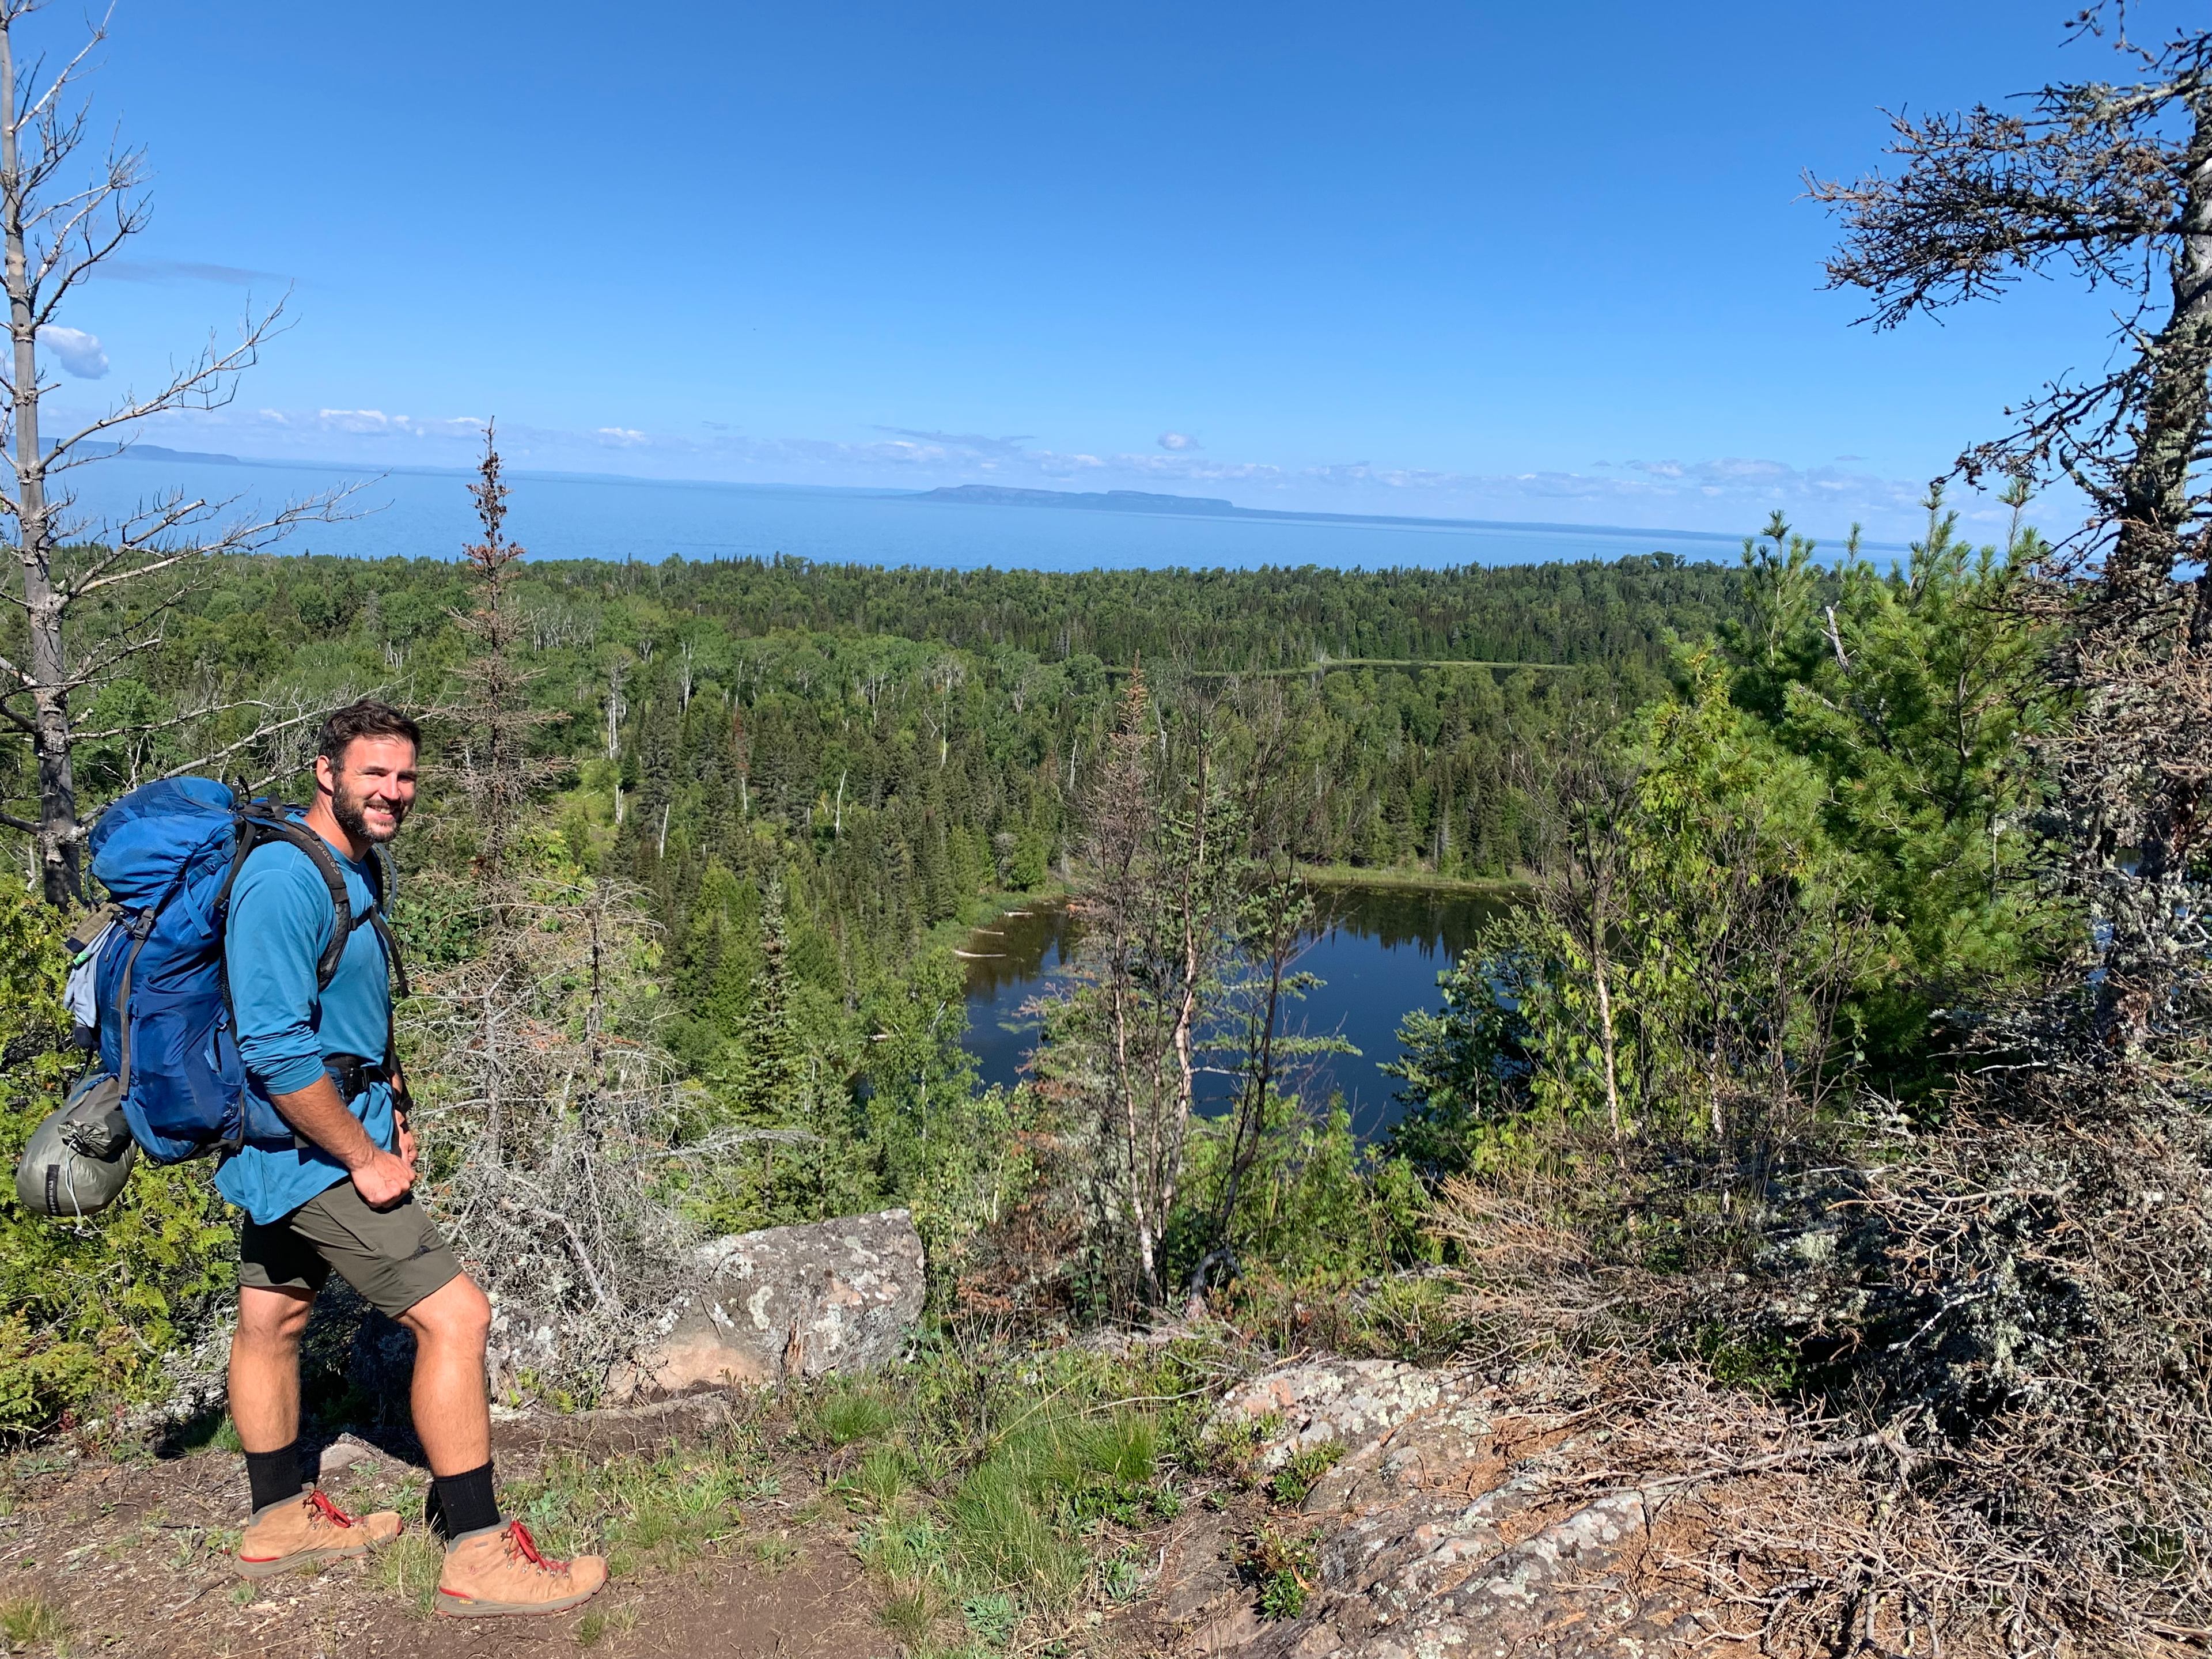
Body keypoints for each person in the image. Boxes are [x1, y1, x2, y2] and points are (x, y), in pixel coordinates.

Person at [222, 700, 606, 1618]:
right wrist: (362, 1156)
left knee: (271, 1318)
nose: (392, 793)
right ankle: (477, 1550)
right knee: (456, 1316)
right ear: (326, 773)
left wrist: (391, 1098)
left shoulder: (352, 866)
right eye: (373, 775)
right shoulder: (286, 880)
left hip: (311, 1140)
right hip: (311, 1149)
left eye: (405, 778)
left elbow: (346, 1011)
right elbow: (274, 1050)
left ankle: (276, 1519)